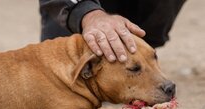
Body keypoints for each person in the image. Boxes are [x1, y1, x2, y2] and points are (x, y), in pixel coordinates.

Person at [39, 0, 186, 62]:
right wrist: (87, 14)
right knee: (62, 71)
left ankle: (140, 56)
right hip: (76, 14)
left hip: (138, 13)